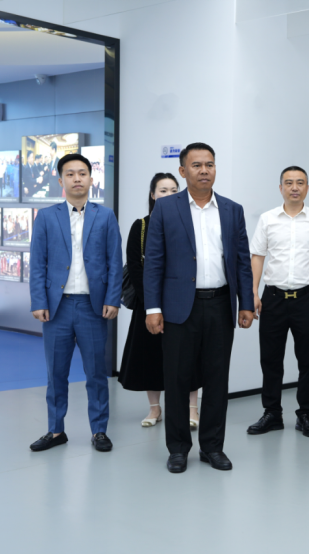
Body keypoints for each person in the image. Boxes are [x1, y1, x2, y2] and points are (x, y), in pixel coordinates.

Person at [144, 142, 255, 474]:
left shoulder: (232, 209)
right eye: (196, 165)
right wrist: (153, 308)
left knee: (217, 379)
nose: (204, 170)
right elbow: (154, 262)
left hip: (220, 304)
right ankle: (178, 449)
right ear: (183, 171)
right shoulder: (166, 208)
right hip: (179, 308)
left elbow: (242, 261)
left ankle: (212, 447)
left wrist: (246, 303)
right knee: (177, 379)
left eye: (210, 164)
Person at [28, 153, 122, 453]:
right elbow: (37, 263)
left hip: (93, 307)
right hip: (57, 308)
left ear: (91, 179)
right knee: (56, 374)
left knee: (96, 374)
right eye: (70, 174)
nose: (77, 178)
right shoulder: (46, 217)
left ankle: (99, 431)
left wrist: (113, 298)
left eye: (82, 173)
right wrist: (38, 301)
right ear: (61, 180)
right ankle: (56, 430)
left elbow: (114, 262)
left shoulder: (105, 216)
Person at [247, 166, 309, 437]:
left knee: (308, 360)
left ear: (307, 188)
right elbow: (258, 256)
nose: (295, 187)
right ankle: (272, 413)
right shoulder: (268, 219)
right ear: (280, 187)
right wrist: (253, 293)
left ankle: (305, 414)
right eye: (289, 183)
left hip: (308, 299)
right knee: (270, 359)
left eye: (300, 183)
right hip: (273, 298)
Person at [118, 173, 201, 428]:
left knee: (188, 357)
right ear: (153, 195)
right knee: (150, 357)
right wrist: (151, 304)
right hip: (149, 304)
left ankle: (192, 409)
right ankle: (155, 409)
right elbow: (135, 267)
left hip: (182, 302)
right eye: (163, 190)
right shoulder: (141, 226)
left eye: (174, 190)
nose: (168, 194)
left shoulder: (189, 223)